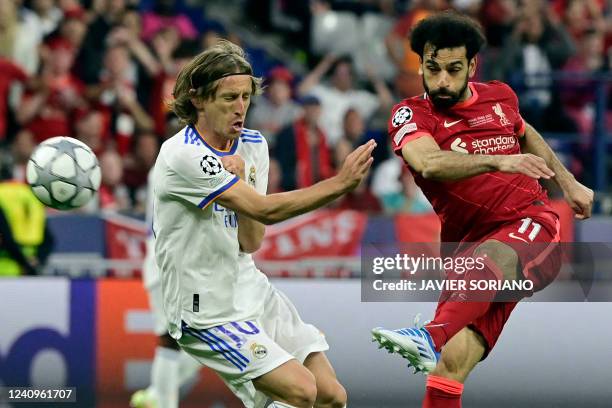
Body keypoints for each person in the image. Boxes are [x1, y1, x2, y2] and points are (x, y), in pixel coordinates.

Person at [370, 11, 593, 408]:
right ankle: (437, 339)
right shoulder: (410, 115)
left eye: (453, 70)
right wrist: (499, 161)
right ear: (420, 63)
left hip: (531, 225)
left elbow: (524, 132)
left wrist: (568, 182)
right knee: (449, 367)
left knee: (485, 269)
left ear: (472, 66)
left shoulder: (500, 96)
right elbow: (428, 163)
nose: (441, 80)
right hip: (466, 249)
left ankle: (429, 336)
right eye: (432, 68)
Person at [152, 40, 374, 408]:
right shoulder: (182, 155)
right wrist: (339, 184)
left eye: (246, 97)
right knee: (301, 390)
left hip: (249, 289)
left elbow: (251, 240)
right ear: (199, 100)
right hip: (205, 310)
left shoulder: (253, 146)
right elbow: (267, 210)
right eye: (229, 98)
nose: (241, 109)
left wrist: (242, 185)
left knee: (332, 396)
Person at [130, 169, 202, 408]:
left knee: (200, 349)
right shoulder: (175, 160)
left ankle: (153, 396)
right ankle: (162, 402)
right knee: (170, 339)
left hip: (186, 265)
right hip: (166, 261)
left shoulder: (186, 158)